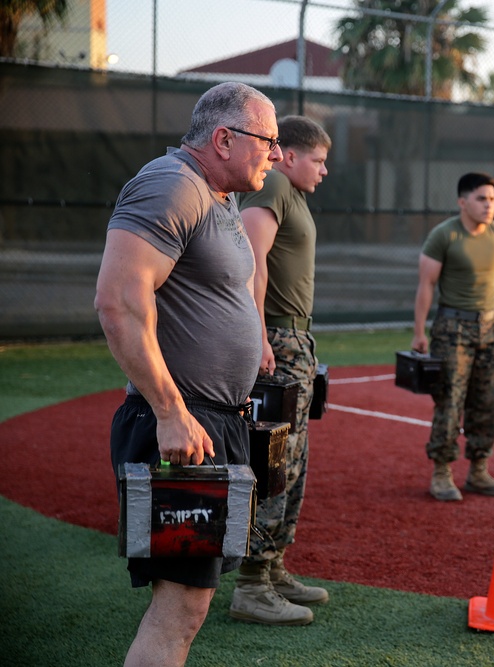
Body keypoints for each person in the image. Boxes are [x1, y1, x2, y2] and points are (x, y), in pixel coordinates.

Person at [94, 82, 281, 665]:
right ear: (224, 139)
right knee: (180, 607)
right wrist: (171, 413)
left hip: (212, 424)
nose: (276, 154)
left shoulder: (218, 198)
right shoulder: (171, 184)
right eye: (268, 140)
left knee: (190, 604)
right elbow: (119, 301)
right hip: (181, 426)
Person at [230, 115, 331, 625]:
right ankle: (252, 583)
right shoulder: (273, 182)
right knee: (274, 461)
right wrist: (258, 333)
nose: (323, 170)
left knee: (294, 460)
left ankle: (273, 569)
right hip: (276, 337)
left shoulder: (293, 194)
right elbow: (251, 254)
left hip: (295, 338)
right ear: (288, 155)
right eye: (317, 159)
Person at [411, 172, 494, 502]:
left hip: (490, 328)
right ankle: (442, 473)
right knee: (450, 401)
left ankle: (479, 470)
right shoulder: (444, 236)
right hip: (452, 329)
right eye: (481, 199)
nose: (489, 206)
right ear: (463, 202)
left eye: (492, 200)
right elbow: (426, 285)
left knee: (488, 402)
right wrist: (419, 332)